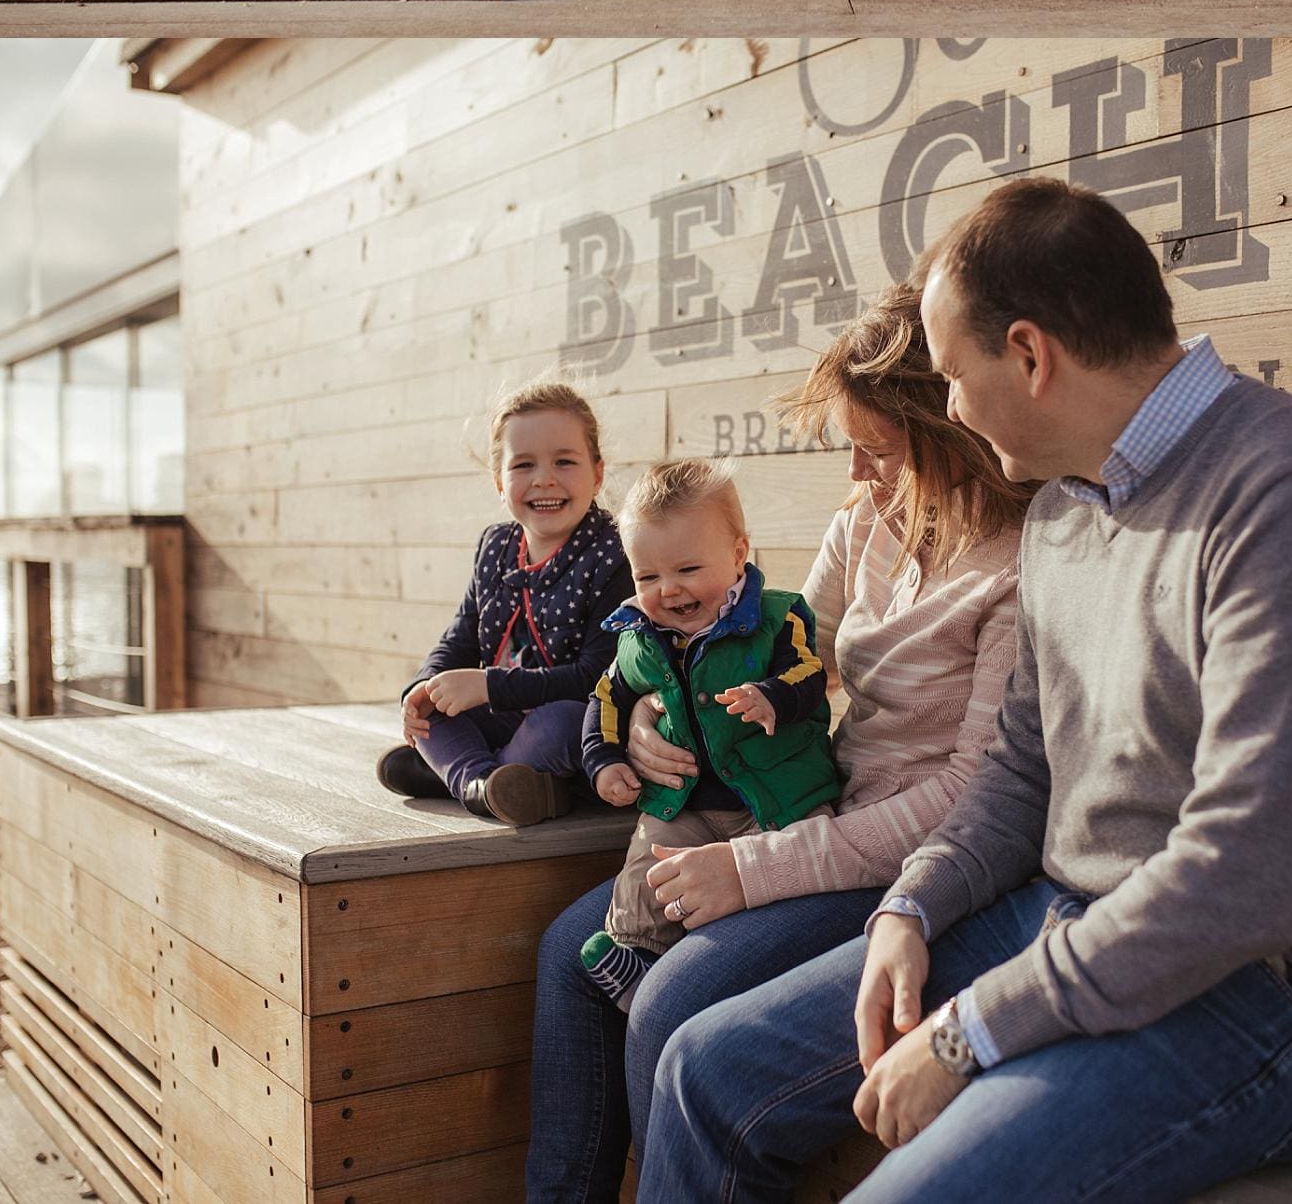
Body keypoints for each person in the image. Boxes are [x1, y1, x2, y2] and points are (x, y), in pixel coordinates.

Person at [640, 179, 1292, 1203]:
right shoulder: (1066, 508)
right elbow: (1020, 768)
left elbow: (1245, 882)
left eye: (951, 375)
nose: (948, 407)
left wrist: (970, 1030)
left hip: (1279, 998)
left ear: (1029, 355)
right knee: (705, 1069)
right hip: (1059, 918)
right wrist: (911, 906)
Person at [525, 287, 1029, 1201]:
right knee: (569, 950)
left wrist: (752, 870)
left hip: (901, 861)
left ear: (950, 433)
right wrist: (650, 716)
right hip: (805, 809)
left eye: (878, 451)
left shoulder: (1015, 568)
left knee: (670, 1001)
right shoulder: (868, 520)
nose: (856, 475)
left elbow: (970, 795)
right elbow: (795, 658)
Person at [578, 459, 842, 1009]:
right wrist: (604, 759)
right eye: (647, 578)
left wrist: (773, 696)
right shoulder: (638, 638)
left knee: (792, 856)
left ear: (738, 554)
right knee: (648, 863)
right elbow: (606, 697)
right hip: (686, 804)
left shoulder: (778, 617)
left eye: (687, 569)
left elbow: (809, 672)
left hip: (776, 797)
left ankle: (764, 955)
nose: (668, 590)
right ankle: (637, 954)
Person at [378, 380, 631, 825]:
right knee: (436, 714)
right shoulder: (495, 547)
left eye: (564, 461)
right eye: (524, 464)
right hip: (505, 719)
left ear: (597, 474)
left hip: (579, 720)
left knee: (563, 723)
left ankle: (460, 776)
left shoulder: (614, 554)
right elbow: (459, 636)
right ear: (500, 482)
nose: (544, 478)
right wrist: (423, 687)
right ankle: (490, 786)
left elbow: (597, 677)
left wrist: (489, 686)